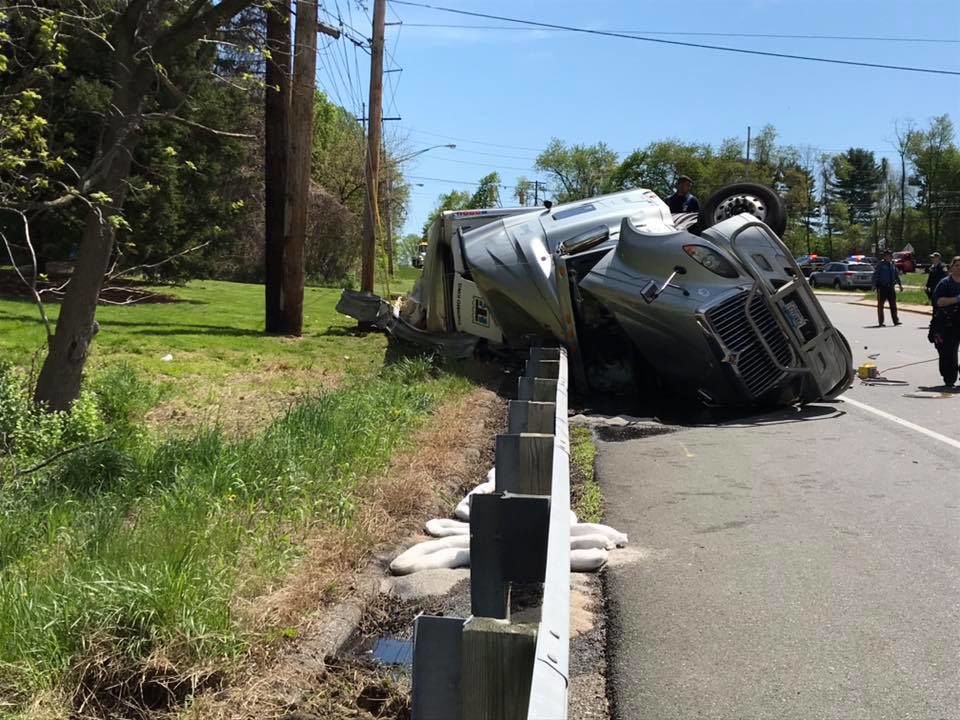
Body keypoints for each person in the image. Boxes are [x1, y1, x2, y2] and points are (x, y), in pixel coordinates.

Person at [930, 256, 960, 387]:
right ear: (951, 267)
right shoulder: (945, 283)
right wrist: (956, 299)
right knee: (948, 353)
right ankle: (949, 378)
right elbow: (938, 301)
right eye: (957, 265)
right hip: (949, 323)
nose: (959, 268)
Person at [872, 250, 903, 326]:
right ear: (884, 256)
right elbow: (875, 275)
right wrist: (874, 285)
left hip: (891, 288)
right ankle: (881, 322)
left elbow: (896, 276)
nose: (889, 257)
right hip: (882, 287)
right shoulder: (880, 265)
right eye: (887, 255)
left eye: (890, 255)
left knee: (893, 305)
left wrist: (900, 285)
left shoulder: (892, 264)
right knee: (881, 305)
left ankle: (896, 321)